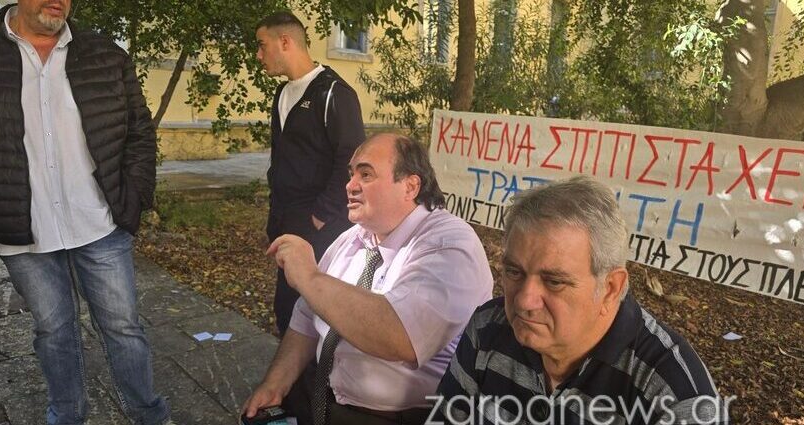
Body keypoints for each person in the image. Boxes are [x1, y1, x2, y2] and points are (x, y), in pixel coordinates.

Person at [0, 2, 171, 424]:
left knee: (123, 328)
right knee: (53, 331)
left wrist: (134, 196)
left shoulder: (105, 54)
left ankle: (148, 415)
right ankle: (66, 415)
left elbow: (139, 130)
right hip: (21, 232)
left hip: (99, 223)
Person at [242, 134, 494, 425]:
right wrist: (275, 384)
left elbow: (400, 336)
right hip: (321, 398)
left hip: (402, 417)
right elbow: (307, 314)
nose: (350, 185)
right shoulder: (353, 238)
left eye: (366, 174)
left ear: (410, 186)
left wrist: (309, 277)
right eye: (351, 174)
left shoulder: (449, 243)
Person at [434, 176, 728, 424]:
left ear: (611, 288)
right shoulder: (487, 328)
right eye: (514, 272)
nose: (524, 301)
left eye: (554, 281)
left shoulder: (676, 394)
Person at [255, 11, 365, 336]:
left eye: (262, 45)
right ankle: (290, 369)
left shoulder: (334, 94)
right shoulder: (282, 94)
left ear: (284, 42)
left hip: (320, 228)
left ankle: (318, 371)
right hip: (285, 222)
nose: (258, 55)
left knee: (316, 318)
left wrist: (319, 216)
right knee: (286, 311)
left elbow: (352, 160)